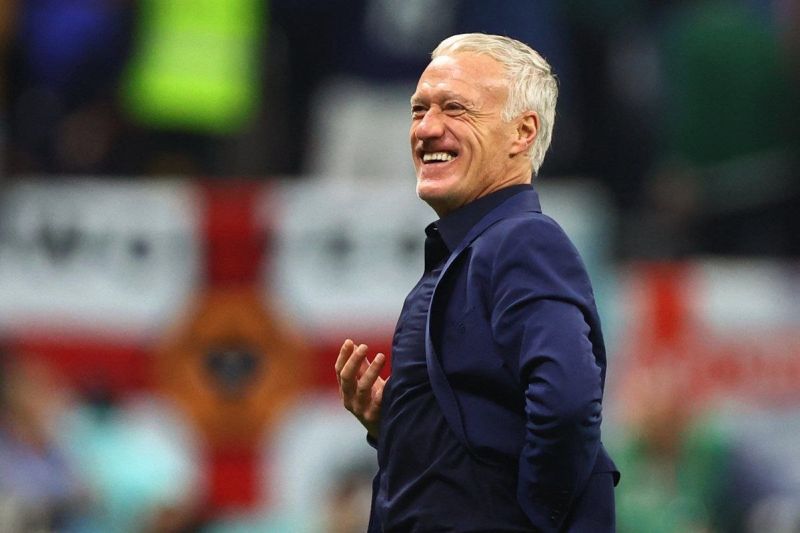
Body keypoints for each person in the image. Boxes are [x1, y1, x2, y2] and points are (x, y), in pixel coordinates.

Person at [335, 33, 618, 532]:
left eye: (455, 108)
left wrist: (531, 522)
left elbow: (568, 405)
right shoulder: (472, 251)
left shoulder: (523, 240)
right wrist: (400, 427)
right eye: (419, 109)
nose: (427, 128)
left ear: (522, 132)